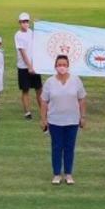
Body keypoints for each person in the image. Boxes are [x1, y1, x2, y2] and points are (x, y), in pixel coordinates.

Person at [40, 54, 87, 185]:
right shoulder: (50, 82)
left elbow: (82, 99)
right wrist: (43, 119)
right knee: (56, 147)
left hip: (72, 120)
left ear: (68, 66)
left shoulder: (76, 80)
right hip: (55, 121)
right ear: (55, 66)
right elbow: (44, 101)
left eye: (64, 65)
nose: (62, 67)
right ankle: (56, 174)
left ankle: (68, 174)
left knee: (69, 147)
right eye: (59, 65)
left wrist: (83, 116)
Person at [15, 12, 42, 120]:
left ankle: (43, 110)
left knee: (39, 89)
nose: (25, 24)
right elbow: (23, 52)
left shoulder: (31, 32)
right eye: (23, 22)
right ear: (19, 23)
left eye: (26, 22)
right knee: (25, 90)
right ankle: (27, 112)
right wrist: (29, 66)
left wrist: (40, 25)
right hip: (23, 66)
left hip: (34, 65)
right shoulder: (18, 35)